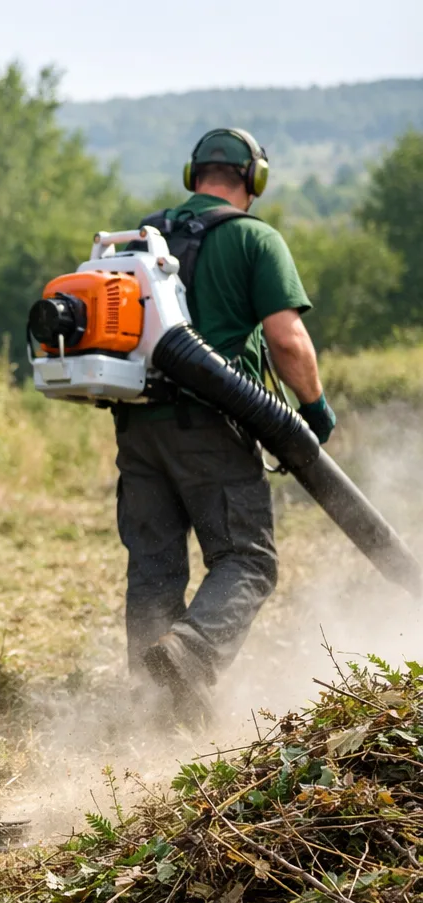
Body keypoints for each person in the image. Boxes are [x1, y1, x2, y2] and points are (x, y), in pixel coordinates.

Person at [115, 127, 336, 715]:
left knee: (155, 571)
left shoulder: (140, 238)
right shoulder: (253, 239)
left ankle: (154, 708)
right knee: (248, 561)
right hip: (214, 428)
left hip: (138, 431)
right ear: (253, 180)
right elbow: (286, 340)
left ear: (195, 175)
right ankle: (190, 653)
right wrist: (312, 412)